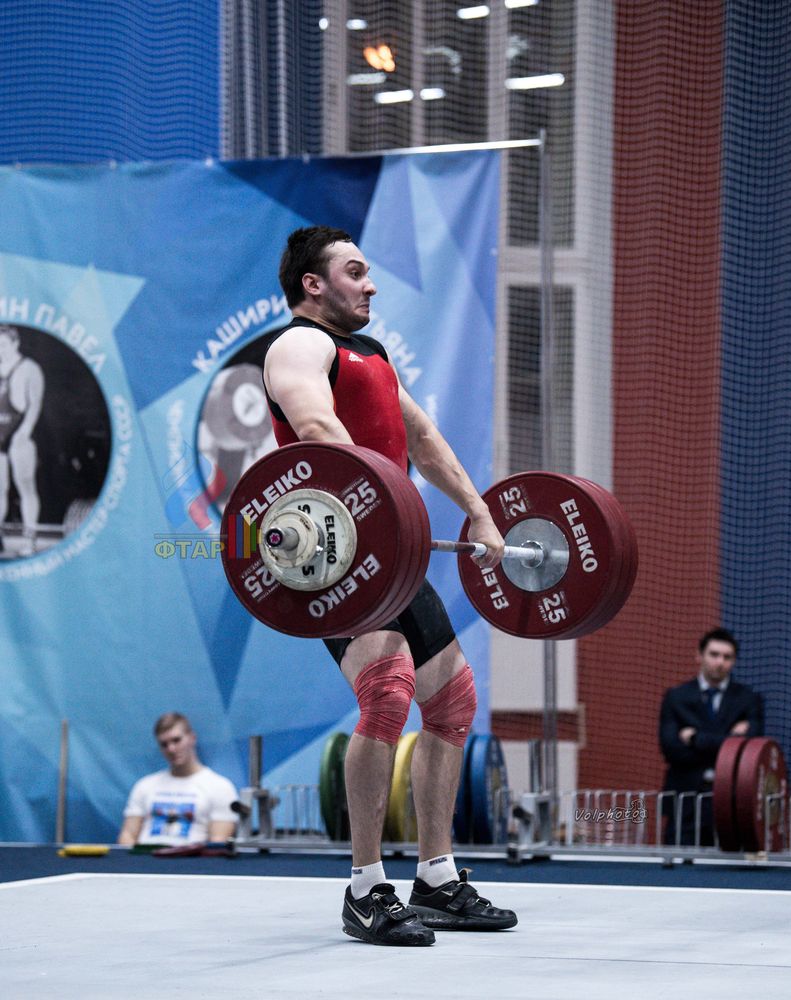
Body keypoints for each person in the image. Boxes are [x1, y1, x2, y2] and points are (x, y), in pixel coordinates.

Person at [262, 226, 517, 946]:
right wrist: (376, 502)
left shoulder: (369, 354)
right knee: (387, 692)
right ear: (313, 284)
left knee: (452, 701)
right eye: (355, 271)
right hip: (335, 554)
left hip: (389, 550)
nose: (370, 284)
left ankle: (435, 879)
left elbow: (423, 440)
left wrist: (477, 511)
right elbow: (316, 423)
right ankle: (365, 888)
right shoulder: (298, 346)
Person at [659, 627, 764, 846]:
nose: (720, 662)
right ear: (699, 656)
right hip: (685, 804)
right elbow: (672, 750)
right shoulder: (676, 697)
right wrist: (730, 740)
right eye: (714, 654)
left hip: (733, 804)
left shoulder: (748, 699)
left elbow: (749, 751)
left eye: (727, 657)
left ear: (734, 661)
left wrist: (695, 739)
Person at [118, 712, 238, 847]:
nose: (171, 749)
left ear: (192, 738)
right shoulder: (144, 786)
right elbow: (127, 836)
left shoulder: (220, 787)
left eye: (176, 740)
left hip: (191, 859)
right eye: (164, 744)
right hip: (144, 857)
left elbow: (218, 844)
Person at [0, 325, 44, 557]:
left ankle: (30, 540)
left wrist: (25, 432)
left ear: (15, 343)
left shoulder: (29, 368)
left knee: (25, 486)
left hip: (19, 433)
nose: (0, 350)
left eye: (3, 345)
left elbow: (35, 404)